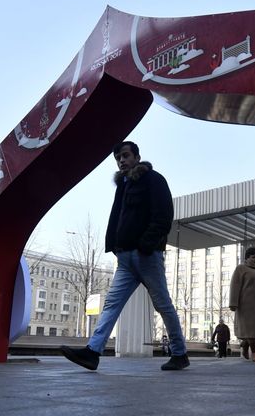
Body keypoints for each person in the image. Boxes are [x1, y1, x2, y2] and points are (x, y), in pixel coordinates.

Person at [61, 141, 189, 371]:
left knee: (163, 305)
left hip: (147, 256)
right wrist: (115, 246)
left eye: (126, 155)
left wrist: (146, 245)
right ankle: (92, 352)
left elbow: (164, 214)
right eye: (118, 157)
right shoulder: (124, 185)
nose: (121, 160)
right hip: (125, 259)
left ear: (137, 157)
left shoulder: (154, 179)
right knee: (111, 304)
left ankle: (179, 354)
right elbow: (117, 219)